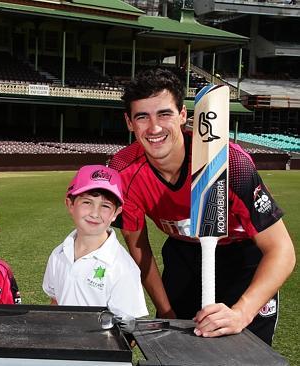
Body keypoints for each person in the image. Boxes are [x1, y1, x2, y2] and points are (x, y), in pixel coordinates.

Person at [108, 68, 295, 344]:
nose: (154, 127)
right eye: (142, 117)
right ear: (129, 122)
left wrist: (241, 313)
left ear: (183, 115)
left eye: (164, 114)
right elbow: (138, 247)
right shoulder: (122, 170)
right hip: (183, 255)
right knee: (177, 348)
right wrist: (166, 309)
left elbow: (282, 251)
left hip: (242, 258)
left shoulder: (231, 163)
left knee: (243, 353)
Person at [42, 165, 148, 319]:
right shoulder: (59, 253)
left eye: (105, 206)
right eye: (87, 202)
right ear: (70, 204)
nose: (95, 213)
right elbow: (56, 300)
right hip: (60, 341)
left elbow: (128, 327)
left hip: (101, 343)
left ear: (116, 213)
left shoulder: (123, 268)